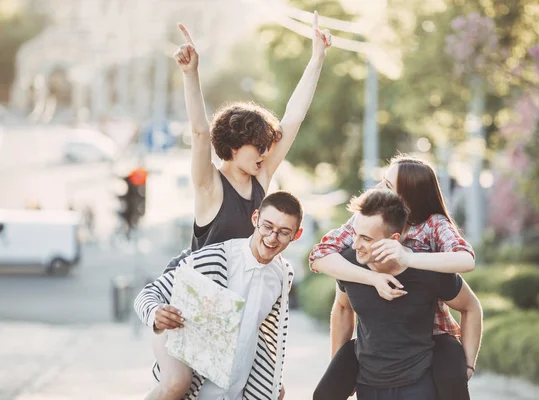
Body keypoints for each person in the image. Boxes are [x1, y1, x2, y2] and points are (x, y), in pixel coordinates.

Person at [138, 12, 331, 399]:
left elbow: (292, 119)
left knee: (259, 391)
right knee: (176, 383)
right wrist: (191, 75)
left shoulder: (261, 180)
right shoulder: (209, 186)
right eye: (257, 146)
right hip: (187, 299)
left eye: (266, 147)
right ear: (233, 145)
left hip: (235, 312)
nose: (264, 153)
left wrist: (317, 59)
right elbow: (197, 132)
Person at [310, 155, 476, 400]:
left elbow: (466, 260)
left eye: (387, 185)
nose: (377, 188)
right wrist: (372, 279)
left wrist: (408, 258)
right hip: (380, 336)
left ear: (408, 198)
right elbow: (319, 255)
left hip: (432, 332)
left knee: (452, 380)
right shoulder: (366, 221)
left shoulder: (432, 224)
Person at [134, 191, 304, 400]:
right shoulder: (215, 258)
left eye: (283, 232)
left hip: (234, 390)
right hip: (195, 387)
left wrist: (268, 383)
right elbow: (149, 294)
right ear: (255, 219)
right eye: (267, 226)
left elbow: (267, 335)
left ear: (296, 235)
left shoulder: (282, 275)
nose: (272, 238)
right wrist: (155, 313)